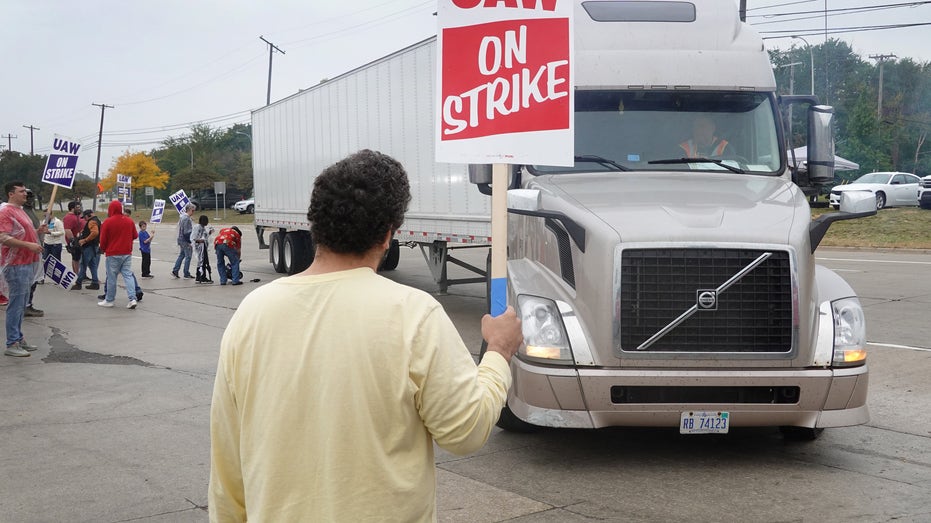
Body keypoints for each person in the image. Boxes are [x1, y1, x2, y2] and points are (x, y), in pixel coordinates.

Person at [208, 150, 524, 521]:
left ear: (315, 224)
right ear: (388, 234)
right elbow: (465, 431)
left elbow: (227, 468)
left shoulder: (252, 313)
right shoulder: (412, 315)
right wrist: (499, 352)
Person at [0, 181, 47, 357]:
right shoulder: (5, 212)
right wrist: (28, 245)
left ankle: (18, 338)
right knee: (16, 304)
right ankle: (12, 342)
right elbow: (3, 237)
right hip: (16, 264)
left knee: (21, 304)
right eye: (21, 191)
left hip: (26, 263)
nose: (25, 194)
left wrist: (37, 230)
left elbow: (22, 233)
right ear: (11, 194)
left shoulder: (20, 211)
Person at [98, 200, 139, 309]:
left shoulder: (107, 222)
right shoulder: (129, 221)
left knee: (112, 278)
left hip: (112, 253)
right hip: (126, 253)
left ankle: (109, 300)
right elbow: (135, 235)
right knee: (128, 275)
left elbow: (103, 239)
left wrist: (102, 249)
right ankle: (132, 298)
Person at [22, 189, 44, 316]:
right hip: (26, 251)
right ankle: (25, 306)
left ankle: (28, 304)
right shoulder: (21, 212)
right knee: (27, 281)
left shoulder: (31, 211)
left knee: (34, 280)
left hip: (36, 249)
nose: (30, 200)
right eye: (27, 197)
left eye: (31, 197)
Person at [74, 208, 101, 291]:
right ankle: (95, 282)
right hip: (94, 246)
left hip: (89, 247)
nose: (84, 219)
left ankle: (78, 283)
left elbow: (95, 232)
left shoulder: (92, 222)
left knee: (83, 264)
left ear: (88, 215)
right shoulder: (97, 220)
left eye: (85, 217)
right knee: (92, 265)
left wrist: (85, 240)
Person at [172, 203, 195, 279]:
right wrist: (190, 241)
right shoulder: (186, 218)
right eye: (192, 210)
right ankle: (186, 273)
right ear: (189, 210)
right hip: (185, 240)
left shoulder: (183, 217)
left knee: (182, 255)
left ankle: (175, 270)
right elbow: (186, 232)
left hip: (181, 239)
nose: (193, 212)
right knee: (188, 256)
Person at [63, 201, 84, 275]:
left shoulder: (77, 216)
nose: (79, 209)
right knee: (76, 259)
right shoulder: (68, 217)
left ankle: (80, 274)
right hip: (75, 242)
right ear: (72, 208)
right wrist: (73, 241)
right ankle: (76, 275)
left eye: (79, 207)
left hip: (81, 240)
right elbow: (67, 230)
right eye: (77, 207)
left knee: (77, 258)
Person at [191, 214, 213, 284]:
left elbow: (204, 236)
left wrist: (209, 233)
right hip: (200, 247)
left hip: (203, 246)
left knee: (202, 262)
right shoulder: (197, 227)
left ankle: (199, 276)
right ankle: (202, 277)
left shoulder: (203, 227)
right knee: (202, 262)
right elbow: (193, 237)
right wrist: (199, 240)